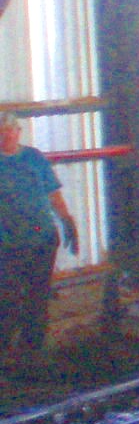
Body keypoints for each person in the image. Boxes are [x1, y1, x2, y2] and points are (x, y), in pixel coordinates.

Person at [0, 111, 80, 362]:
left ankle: (31, 350)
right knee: (8, 296)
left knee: (37, 295)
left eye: (9, 131)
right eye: (1, 132)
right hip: (8, 243)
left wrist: (67, 219)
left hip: (42, 239)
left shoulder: (34, 157)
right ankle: (5, 349)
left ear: (18, 132)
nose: (5, 136)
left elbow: (53, 192)